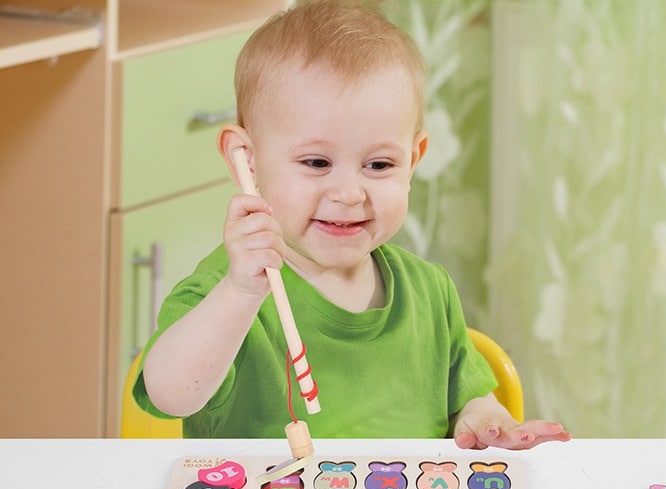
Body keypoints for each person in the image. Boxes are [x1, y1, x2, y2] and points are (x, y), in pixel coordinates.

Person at [134, 0, 570, 450]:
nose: (349, 193)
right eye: (317, 162)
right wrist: (238, 295)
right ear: (247, 160)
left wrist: (482, 419)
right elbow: (171, 397)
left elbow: (468, 398)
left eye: (379, 164)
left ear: (413, 161)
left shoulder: (430, 292)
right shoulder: (224, 290)